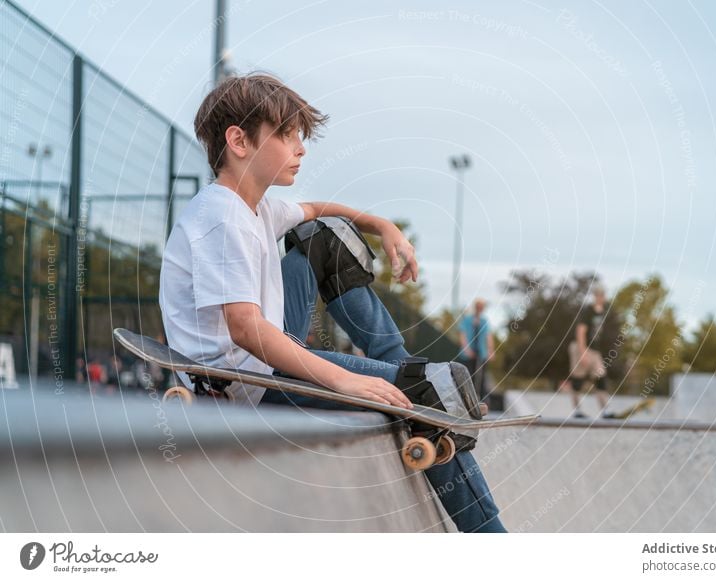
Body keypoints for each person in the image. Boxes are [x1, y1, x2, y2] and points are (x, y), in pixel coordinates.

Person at [158, 74, 505, 533]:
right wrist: (344, 381)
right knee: (436, 388)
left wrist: (383, 225)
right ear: (239, 141)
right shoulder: (222, 221)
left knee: (323, 235)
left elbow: (319, 209)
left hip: (258, 356)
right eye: (285, 135)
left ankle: (399, 368)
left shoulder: (254, 207)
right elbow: (245, 327)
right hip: (240, 382)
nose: (299, 149)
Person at [564, 285, 612, 418]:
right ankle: (576, 410)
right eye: (598, 295)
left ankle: (605, 411)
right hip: (581, 347)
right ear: (595, 296)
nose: (600, 298)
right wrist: (582, 352)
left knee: (601, 377)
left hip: (595, 351)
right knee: (578, 380)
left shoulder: (603, 312)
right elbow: (580, 331)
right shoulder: (588, 311)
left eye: (602, 295)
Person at [458, 298, 494, 400]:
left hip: (481, 354)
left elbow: (488, 336)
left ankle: (483, 402)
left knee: (482, 379)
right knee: (468, 378)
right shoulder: (467, 319)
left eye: (482, 306)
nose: (480, 308)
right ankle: (467, 400)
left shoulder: (484, 321)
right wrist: (467, 349)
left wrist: (491, 351)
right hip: (467, 355)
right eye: (479, 306)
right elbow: (462, 335)